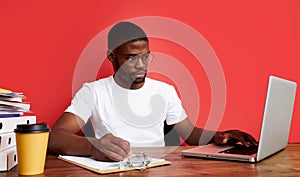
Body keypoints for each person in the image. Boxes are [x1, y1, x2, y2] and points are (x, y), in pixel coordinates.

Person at [48, 21, 257, 162]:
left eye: (146, 56)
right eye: (130, 58)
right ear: (111, 57)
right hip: (114, 169)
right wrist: (94, 147)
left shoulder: (165, 91)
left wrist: (221, 136)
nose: (141, 65)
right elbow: (54, 137)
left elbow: (190, 134)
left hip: (156, 169)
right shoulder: (93, 92)